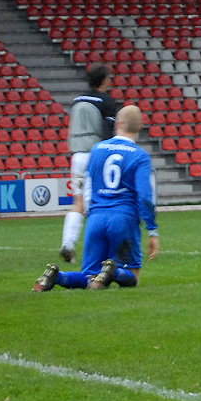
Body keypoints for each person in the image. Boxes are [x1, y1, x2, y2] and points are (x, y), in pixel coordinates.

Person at [33, 105, 159, 291]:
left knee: (90, 277)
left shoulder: (97, 149)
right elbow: (144, 196)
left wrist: (92, 212)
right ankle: (113, 272)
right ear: (140, 127)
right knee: (131, 276)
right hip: (123, 218)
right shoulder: (140, 156)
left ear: (117, 123)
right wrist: (152, 230)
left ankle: (57, 277)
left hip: (96, 217)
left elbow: (88, 186)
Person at [59, 62, 121, 263]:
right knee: (98, 203)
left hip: (77, 156)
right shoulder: (106, 101)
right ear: (104, 80)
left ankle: (68, 243)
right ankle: (100, 247)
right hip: (96, 155)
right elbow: (108, 132)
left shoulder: (77, 101)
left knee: (78, 202)